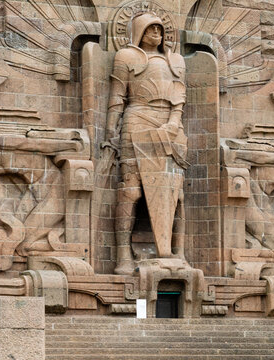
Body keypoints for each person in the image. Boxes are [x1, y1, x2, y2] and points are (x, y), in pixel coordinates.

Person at [106, 12, 187, 275]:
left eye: (160, 29)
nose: (156, 34)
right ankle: (123, 256)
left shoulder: (175, 60)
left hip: (170, 125)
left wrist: (174, 122)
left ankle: (178, 253)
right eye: (150, 29)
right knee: (130, 191)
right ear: (139, 31)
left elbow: (179, 96)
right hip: (136, 119)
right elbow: (117, 97)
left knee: (177, 194)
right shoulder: (126, 57)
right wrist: (110, 130)